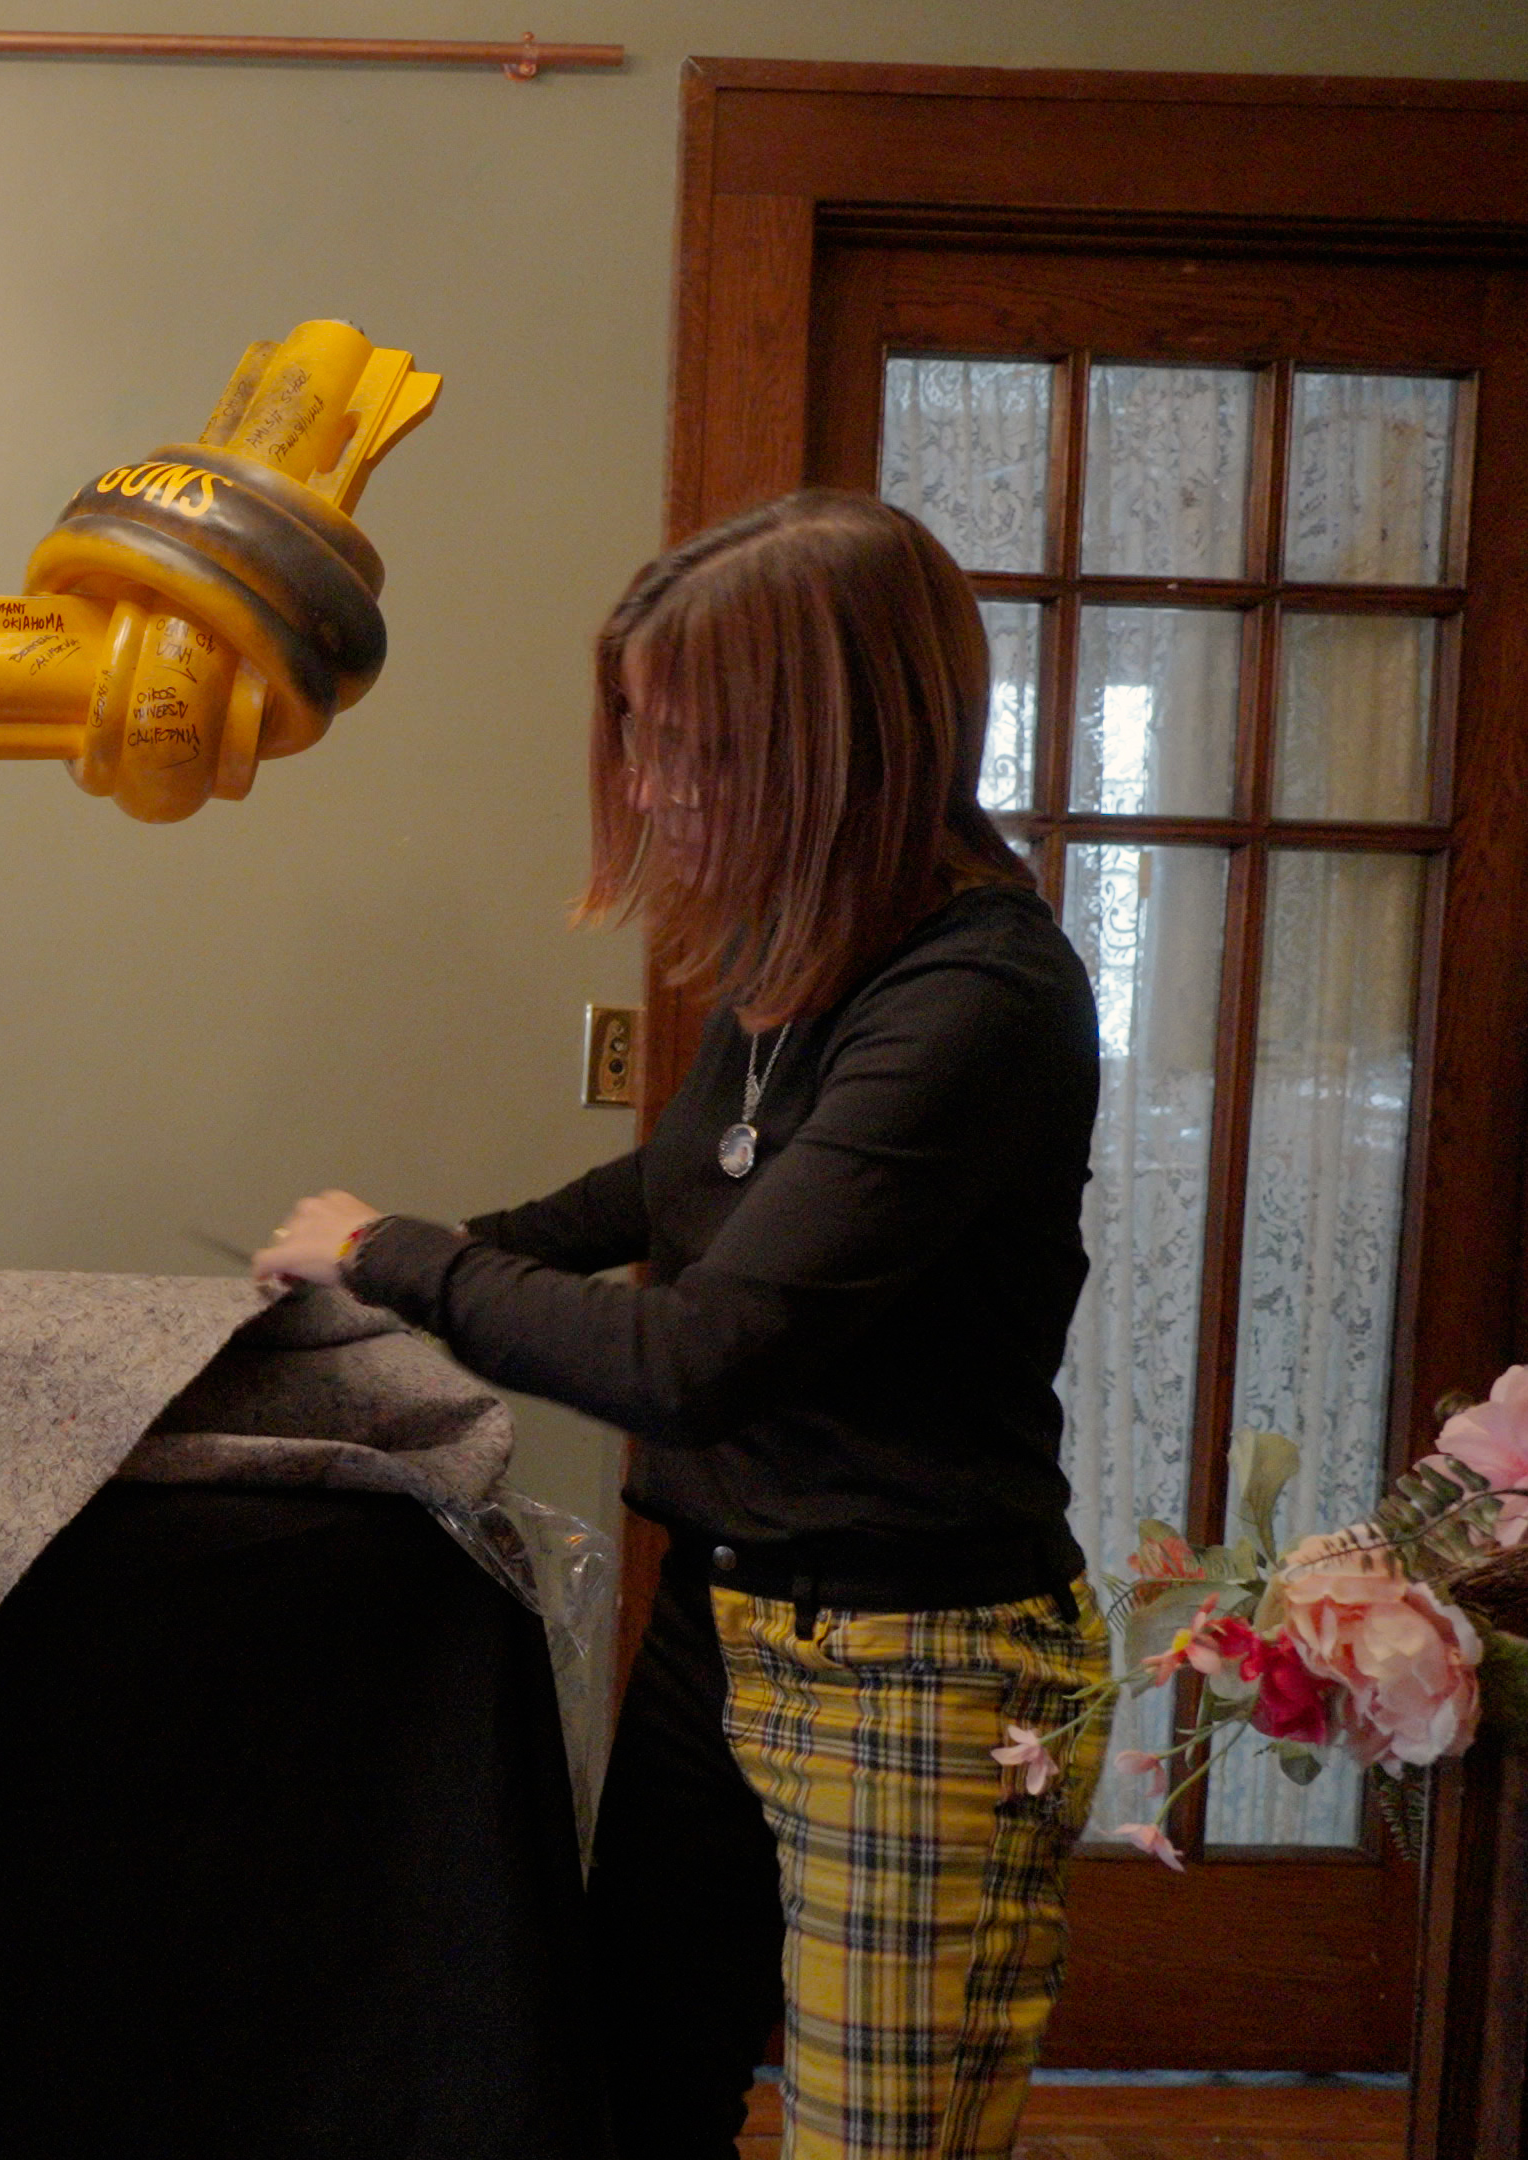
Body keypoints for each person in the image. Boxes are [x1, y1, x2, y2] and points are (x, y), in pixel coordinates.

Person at [254, 489, 1105, 2160]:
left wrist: (401, 1254)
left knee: (880, 2140)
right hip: (723, 1622)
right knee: (634, 2084)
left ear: (838, 743)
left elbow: (699, 1356)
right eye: (638, 740)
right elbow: (669, 1193)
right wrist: (380, 1274)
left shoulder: (975, 1000)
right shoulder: (807, 955)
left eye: (693, 749)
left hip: (915, 1663)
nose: (646, 790)